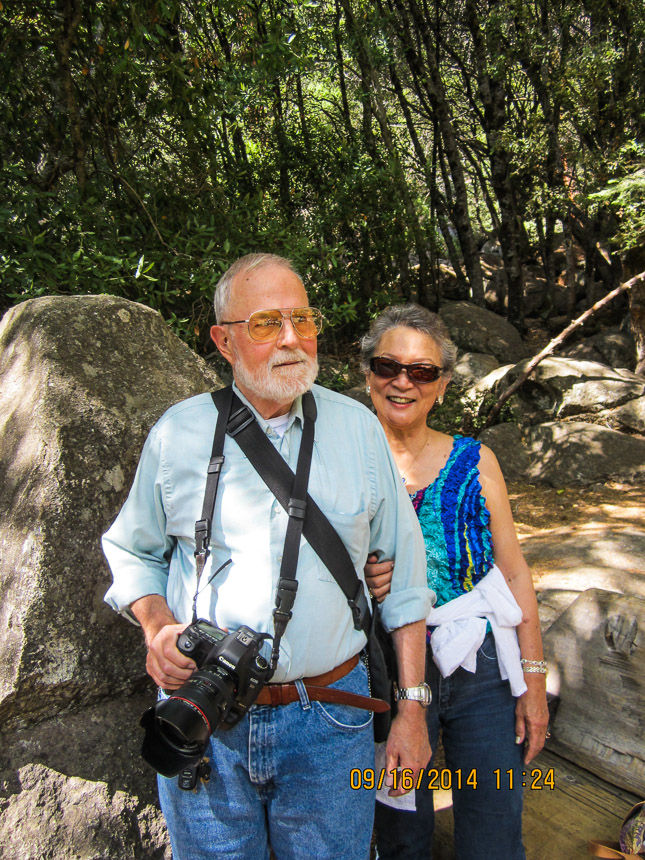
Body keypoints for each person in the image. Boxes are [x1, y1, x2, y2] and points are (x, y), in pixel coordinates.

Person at [102, 255, 434, 860]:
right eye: (265, 323)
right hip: (206, 718)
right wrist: (157, 627)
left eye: (302, 319)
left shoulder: (357, 429)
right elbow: (132, 550)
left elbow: (407, 579)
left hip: (334, 718)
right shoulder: (179, 433)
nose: (291, 339)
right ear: (223, 340)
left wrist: (412, 709)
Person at [361, 304, 549, 860]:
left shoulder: (475, 459)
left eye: (421, 372)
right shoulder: (341, 460)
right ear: (367, 373)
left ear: (441, 386)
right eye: (388, 365)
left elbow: (514, 571)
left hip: (478, 664)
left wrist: (532, 681)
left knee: (493, 828)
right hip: (383, 669)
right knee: (400, 835)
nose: (402, 382)